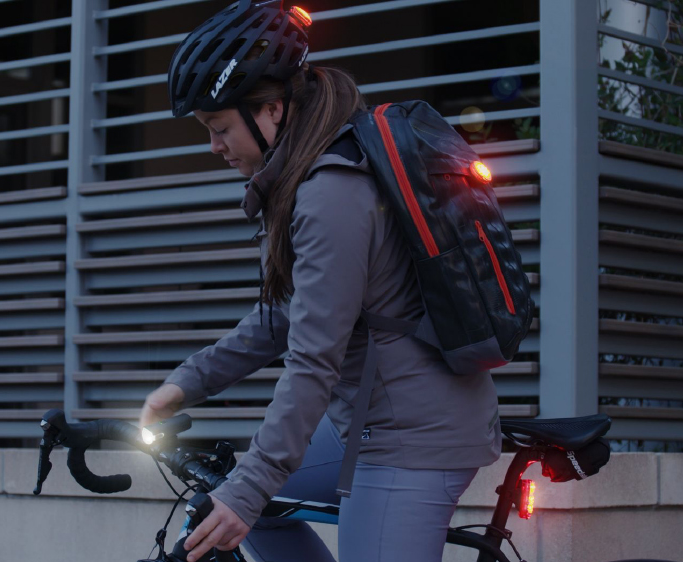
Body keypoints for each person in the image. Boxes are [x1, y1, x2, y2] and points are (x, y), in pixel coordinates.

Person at [137, 2, 502, 561]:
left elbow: (313, 358)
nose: (214, 147)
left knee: (246, 495)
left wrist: (252, 487)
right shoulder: (313, 176)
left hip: (412, 439)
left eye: (219, 128)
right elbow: (287, 315)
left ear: (272, 111)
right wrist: (189, 381)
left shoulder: (331, 192)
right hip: (372, 420)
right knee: (234, 499)